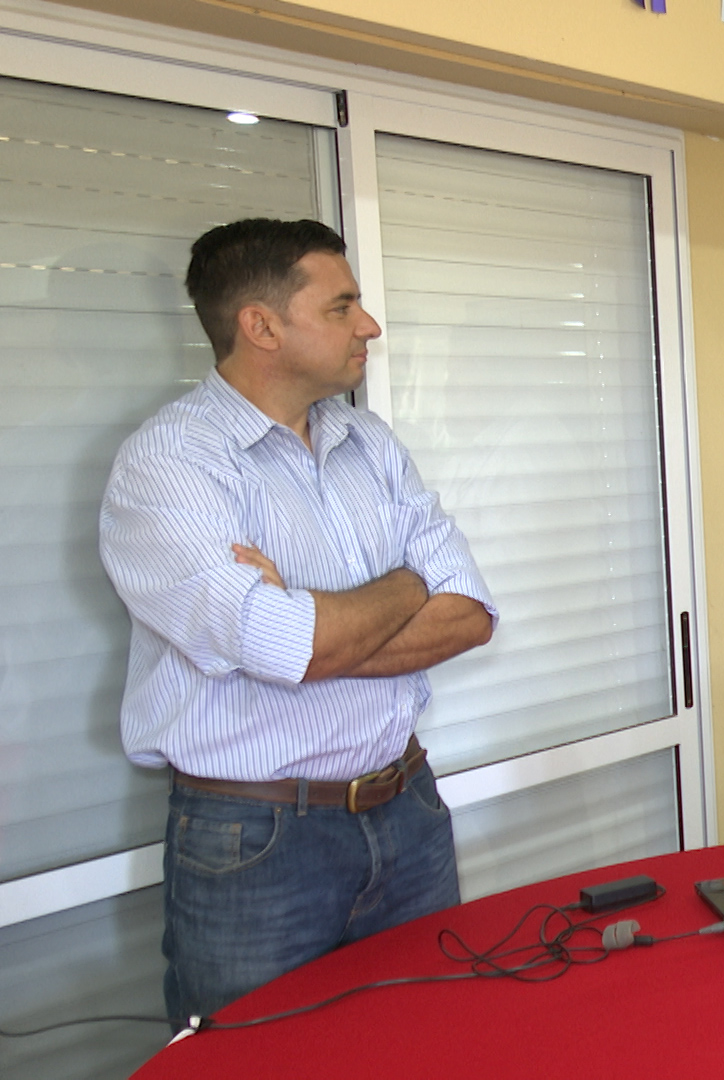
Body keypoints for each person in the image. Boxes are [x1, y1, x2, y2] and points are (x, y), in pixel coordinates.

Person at [99, 219, 497, 1024]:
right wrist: (406, 585)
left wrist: (307, 624)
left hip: (408, 810)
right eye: (342, 306)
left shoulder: (368, 442)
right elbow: (294, 644)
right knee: (257, 1062)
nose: (369, 326)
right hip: (257, 840)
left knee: (432, 1044)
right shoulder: (168, 464)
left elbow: (469, 616)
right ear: (262, 326)